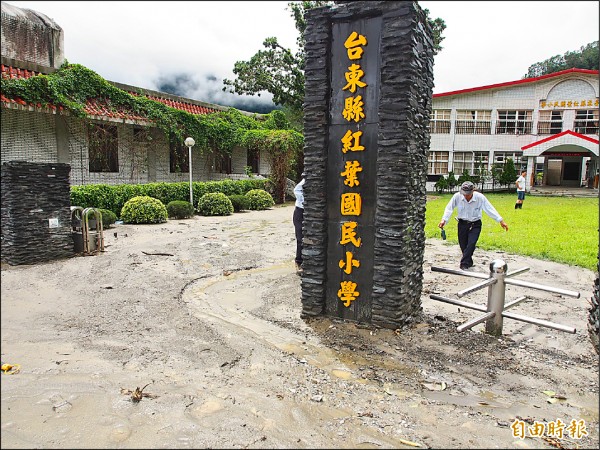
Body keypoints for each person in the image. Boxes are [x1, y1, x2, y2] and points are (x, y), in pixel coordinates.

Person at [438, 181, 509, 271]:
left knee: (471, 243)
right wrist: (444, 220)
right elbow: (449, 208)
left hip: (475, 224)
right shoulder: (457, 196)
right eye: (464, 193)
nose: (466, 196)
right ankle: (469, 262)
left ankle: (464, 264)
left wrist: (501, 221)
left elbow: (489, 209)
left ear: (472, 191)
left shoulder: (480, 197)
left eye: (468, 194)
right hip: (462, 224)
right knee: (463, 245)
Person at [293, 172, 306, 275]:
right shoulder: (304, 182)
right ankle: (299, 262)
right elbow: (296, 190)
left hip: (310, 212)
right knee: (300, 238)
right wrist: (305, 202)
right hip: (300, 212)